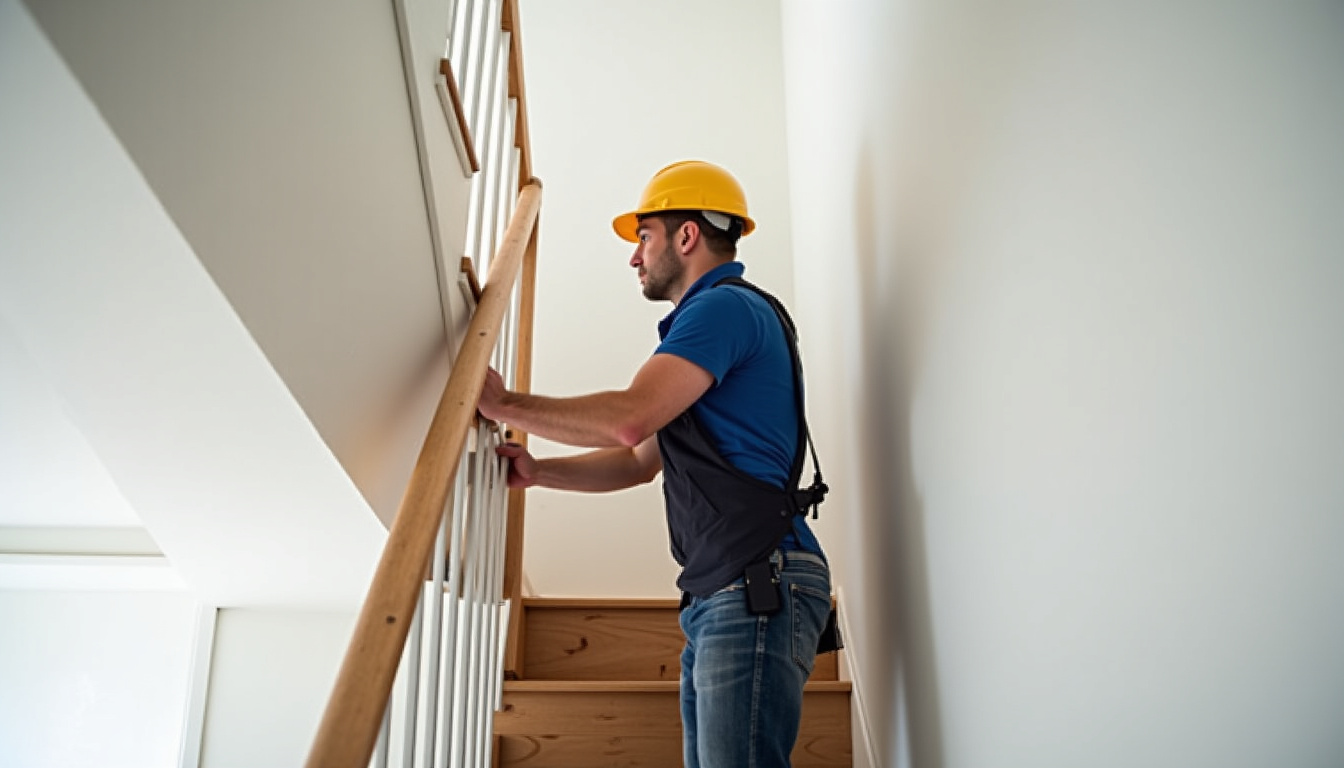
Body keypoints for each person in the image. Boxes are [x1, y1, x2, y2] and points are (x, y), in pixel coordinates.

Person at [477, 160, 832, 767]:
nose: (635, 258)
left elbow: (630, 417)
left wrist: (505, 403)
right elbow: (638, 459)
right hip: (725, 587)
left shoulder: (722, 310)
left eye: (644, 236)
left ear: (686, 235)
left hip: (756, 583)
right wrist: (540, 472)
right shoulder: (712, 327)